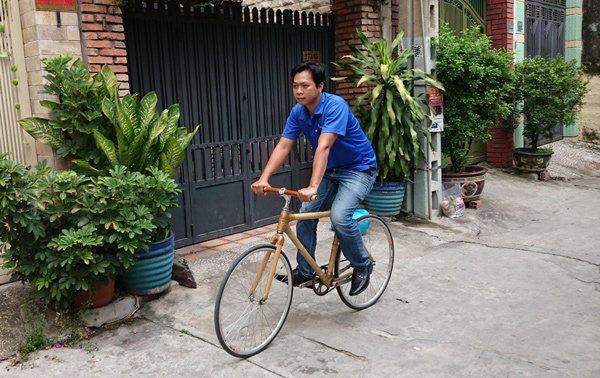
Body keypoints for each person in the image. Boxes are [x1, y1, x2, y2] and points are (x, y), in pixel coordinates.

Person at [250, 62, 377, 296]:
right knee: (305, 215)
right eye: (295, 86)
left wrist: (313, 185)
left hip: (358, 169)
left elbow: (324, 146)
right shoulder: (298, 112)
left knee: (340, 217)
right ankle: (306, 271)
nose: (299, 91)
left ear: (320, 86)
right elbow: (284, 145)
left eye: (305, 86)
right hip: (332, 171)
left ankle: (362, 264)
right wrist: (264, 179)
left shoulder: (334, 106)